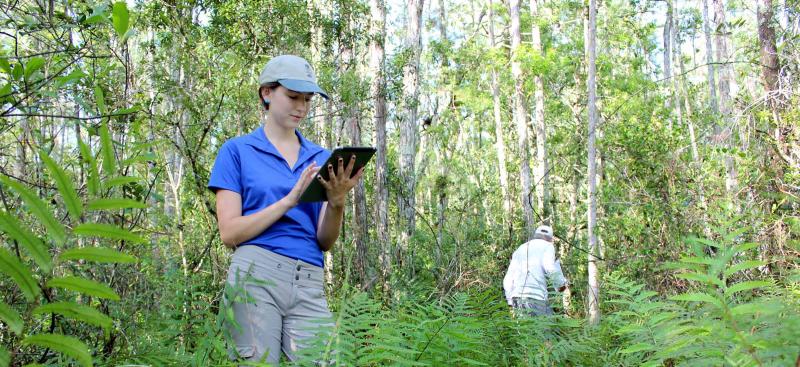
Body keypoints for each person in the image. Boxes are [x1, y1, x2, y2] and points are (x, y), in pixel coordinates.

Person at [208, 54, 364, 364]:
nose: (301, 107)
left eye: (307, 100)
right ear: (267, 93)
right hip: (255, 274)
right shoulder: (236, 151)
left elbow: (325, 241)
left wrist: (336, 202)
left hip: (308, 277)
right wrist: (289, 200)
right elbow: (229, 233)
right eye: (292, 96)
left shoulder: (320, 157)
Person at [503, 225, 568, 317]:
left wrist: (510, 300)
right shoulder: (548, 246)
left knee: (524, 330)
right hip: (536, 297)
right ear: (550, 239)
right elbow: (550, 268)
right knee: (545, 329)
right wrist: (561, 284)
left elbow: (508, 278)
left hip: (517, 299)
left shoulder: (520, 248)